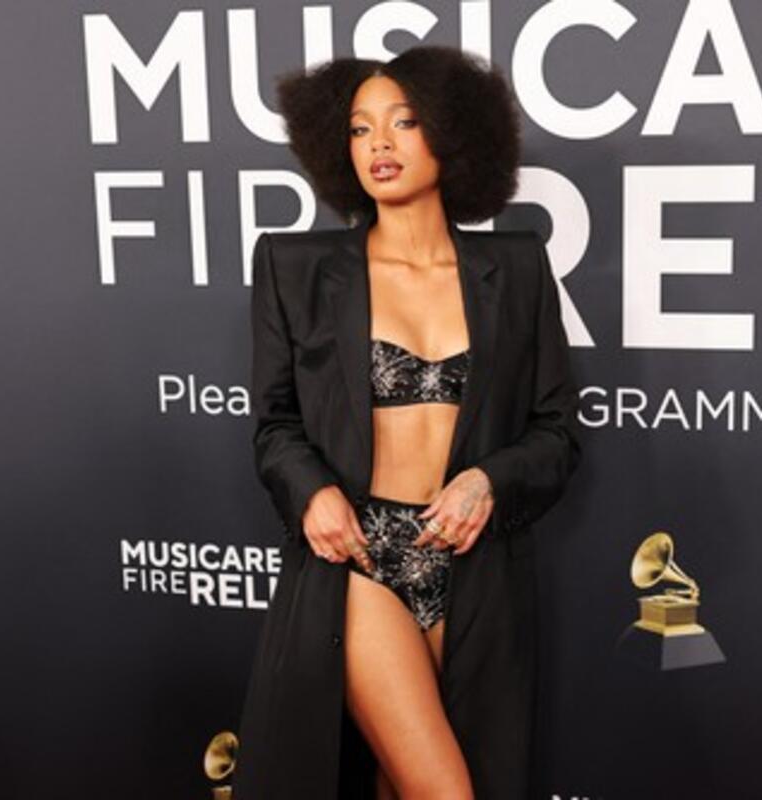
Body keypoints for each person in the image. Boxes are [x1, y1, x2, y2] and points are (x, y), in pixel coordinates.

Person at [231, 45, 583, 799]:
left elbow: (557, 431)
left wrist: (489, 481)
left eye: (404, 122)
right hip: (359, 565)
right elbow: (274, 424)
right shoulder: (295, 268)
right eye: (360, 129)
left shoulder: (518, 268)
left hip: (474, 571)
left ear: (454, 134)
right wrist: (311, 493)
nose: (379, 145)